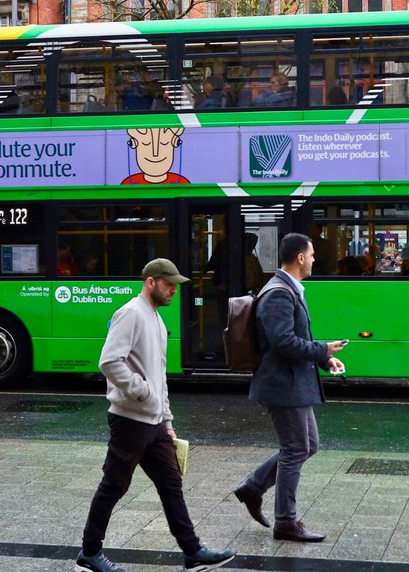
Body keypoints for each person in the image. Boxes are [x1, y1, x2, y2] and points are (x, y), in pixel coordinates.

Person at [75, 258, 236, 572]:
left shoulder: (157, 320)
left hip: (154, 423)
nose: (174, 290)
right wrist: (142, 391)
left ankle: (192, 552)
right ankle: (89, 555)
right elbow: (109, 361)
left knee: (171, 484)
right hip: (130, 420)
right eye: (169, 284)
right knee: (114, 485)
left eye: (175, 285)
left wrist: (167, 419)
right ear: (151, 281)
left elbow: (159, 376)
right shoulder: (131, 313)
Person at [232, 233, 346, 543]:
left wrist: (325, 359)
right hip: (283, 385)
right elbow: (282, 342)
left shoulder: (290, 289)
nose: (312, 259)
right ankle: (285, 522)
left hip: (293, 382)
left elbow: (295, 339)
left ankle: (253, 487)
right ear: (299, 258)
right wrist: (322, 350)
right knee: (296, 449)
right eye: (310, 255)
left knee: (307, 445)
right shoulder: (279, 293)